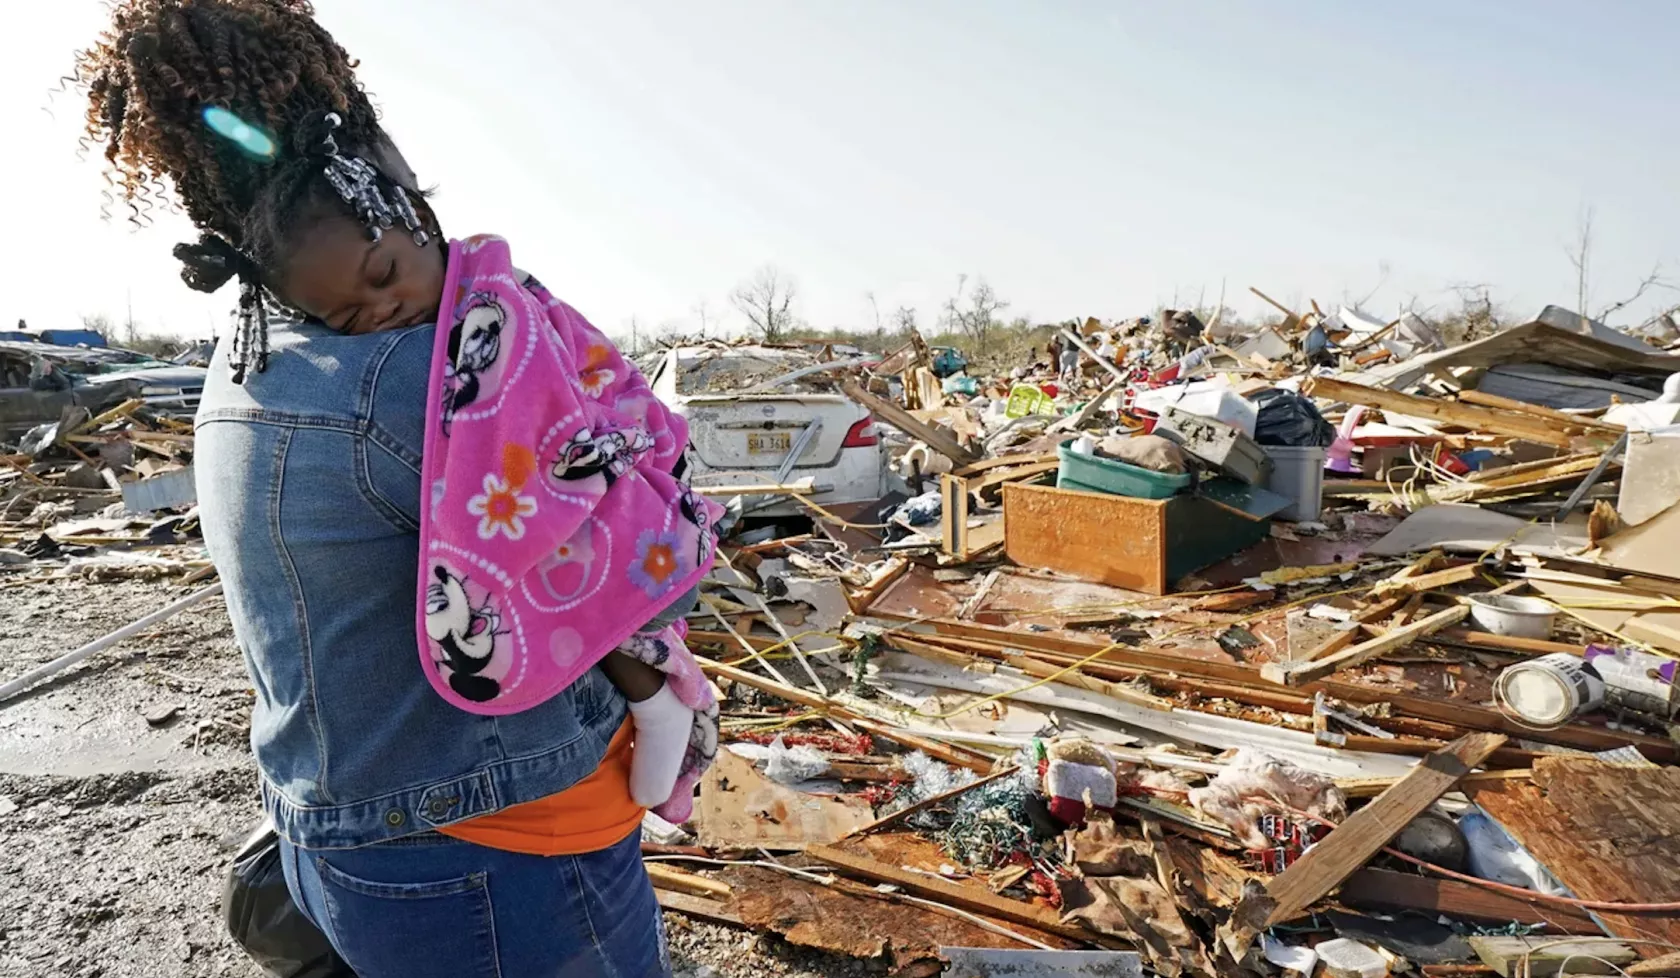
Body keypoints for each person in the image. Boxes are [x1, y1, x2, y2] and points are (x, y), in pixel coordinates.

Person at [74, 2, 677, 974]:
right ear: (358, 157)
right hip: (499, 847)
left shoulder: (252, 346)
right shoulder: (420, 377)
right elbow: (615, 569)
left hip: (340, 832)